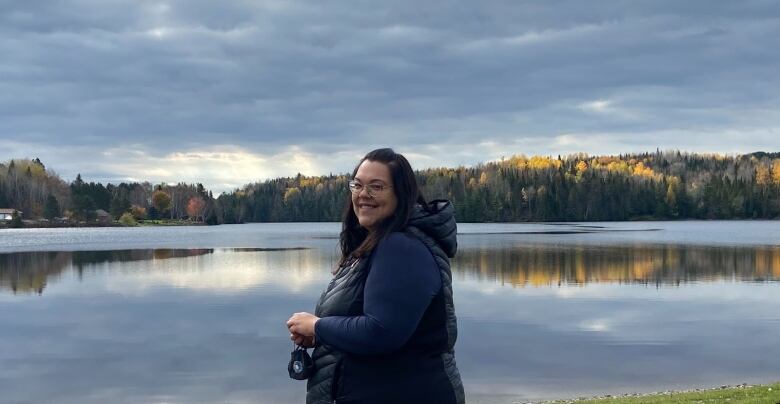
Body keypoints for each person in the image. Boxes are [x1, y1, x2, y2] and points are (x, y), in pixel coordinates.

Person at [286, 148, 465, 404]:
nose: (363, 194)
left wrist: (317, 325)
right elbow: (381, 325)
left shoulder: (402, 248)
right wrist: (324, 336)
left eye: (376, 187)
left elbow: (381, 331)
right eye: (357, 185)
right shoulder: (376, 244)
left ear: (401, 195)